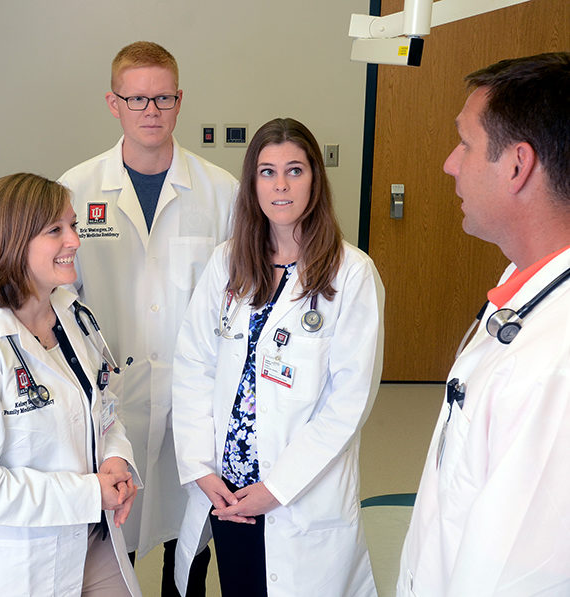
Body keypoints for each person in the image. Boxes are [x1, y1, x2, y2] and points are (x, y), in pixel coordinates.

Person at [173, 117, 384, 596]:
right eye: (267, 172)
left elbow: (347, 403)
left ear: (315, 178)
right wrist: (201, 468)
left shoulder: (352, 274)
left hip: (296, 493)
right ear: (252, 183)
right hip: (228, 489)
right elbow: (193, 367)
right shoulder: (228, 262)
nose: (281, 185)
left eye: (295, 170)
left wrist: (277, 489)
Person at [58, 41, 238, 593]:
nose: (150, 111)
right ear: (113, 104)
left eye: (162, 98)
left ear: (180, 100)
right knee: (118, 531)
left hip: (195, 396)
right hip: (115, 396)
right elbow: (63, 296)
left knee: (193, 533)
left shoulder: (221, 190)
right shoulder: (76, 188)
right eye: (137, 99)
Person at [397, 52, 570, 596]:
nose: (450, 163)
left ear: (517, 165)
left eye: (466, 144)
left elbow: (515, 579)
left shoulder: (554, 366)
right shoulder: (525, 282)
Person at [0, 173, 142, 596]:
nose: (75, 241)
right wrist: (87, 493)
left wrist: (117, 459)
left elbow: (102, 403)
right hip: (23, 564)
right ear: (12, 242)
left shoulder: (72, 314)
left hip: (93, 540)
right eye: (55, 230)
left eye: (74, 226)